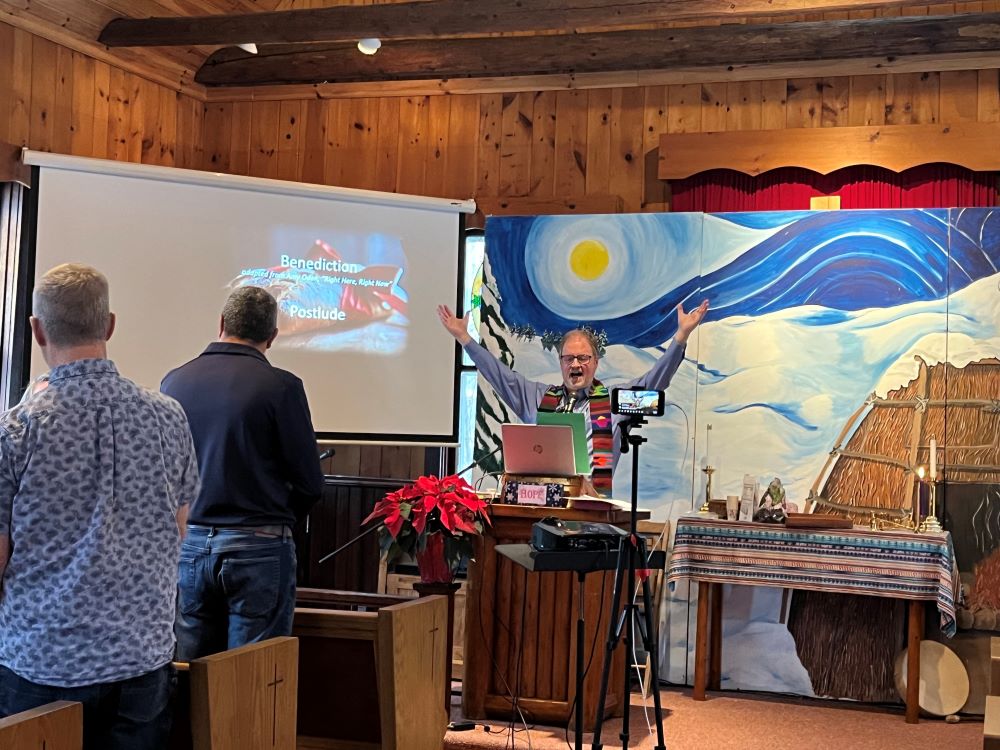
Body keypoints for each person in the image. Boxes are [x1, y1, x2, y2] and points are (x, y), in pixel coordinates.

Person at [0, 263, 200, 749]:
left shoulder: (17, 431)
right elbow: (178, 527)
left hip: (41, 659)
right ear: (109, 325)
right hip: (140, 657)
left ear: (37, 329)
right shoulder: (167, 417)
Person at [161, 286, 323, 660]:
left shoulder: (174, 382)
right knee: (252, 678)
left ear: (221, 324)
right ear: (273, 336)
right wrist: (274, 520)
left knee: (189, 673)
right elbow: (310, 483)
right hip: (259, 545)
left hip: (190, 545)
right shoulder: (282, 386)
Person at [437, 300, 709, 494]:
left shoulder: (614, 402)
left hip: (592, 510)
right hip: (545, 506)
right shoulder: (538, 398)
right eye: (569, 358)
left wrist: (681, 336)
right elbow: (500, 376)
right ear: (560, 363)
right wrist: (466, 340)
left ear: (595, 363)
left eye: (583, 358)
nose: (575, 364)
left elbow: (654, 381)